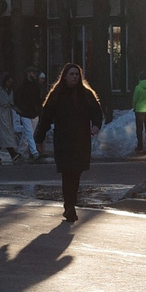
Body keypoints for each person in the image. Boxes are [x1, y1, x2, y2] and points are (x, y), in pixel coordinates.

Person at [39, 62, 103, 223]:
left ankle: (70, 204)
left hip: (81, 140)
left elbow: (97, 112)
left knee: (76, 173)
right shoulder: (57, 95)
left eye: (77, 74)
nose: (74, 77)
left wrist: (96, 125)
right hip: (63, 139)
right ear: (65, 77)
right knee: (67, 173)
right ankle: (70, 206)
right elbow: (46, 118)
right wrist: (39, 138)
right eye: (71, 74)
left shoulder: (86, 94)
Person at [15, 68, 45, 162]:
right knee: (29, 133)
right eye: (33, 73)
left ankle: (20, 153)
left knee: (28, 134)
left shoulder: (33, 86)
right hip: (27, 113)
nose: (34, 74)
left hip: (31, 113)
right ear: (28, 73)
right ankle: (34, 153)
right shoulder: (24, 87)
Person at [0, 72, 18, 163]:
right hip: (1, 112)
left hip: (7, 112)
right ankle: (12, 153)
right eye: (8, 82)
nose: (9, 83)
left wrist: (18, 110)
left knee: (1, 135)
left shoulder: (9, 90)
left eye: (11, 82)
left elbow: (11, 103)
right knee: (5, 133)